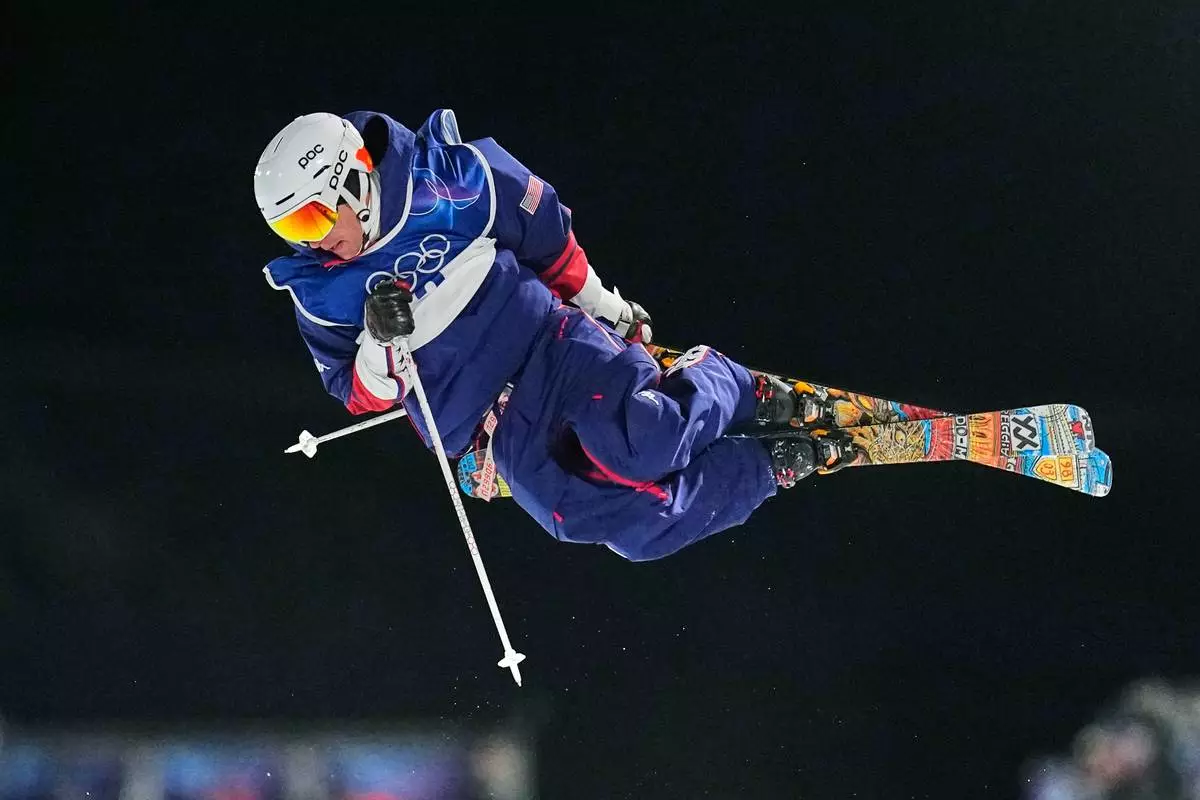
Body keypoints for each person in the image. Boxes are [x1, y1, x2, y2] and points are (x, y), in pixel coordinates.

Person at [254, 109, 853, 561]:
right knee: (617, 524)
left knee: (638, 443)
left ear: (352, 179)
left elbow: (545, 234)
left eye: (311, 217)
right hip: (493, 420)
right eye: (289, 228)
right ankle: (765, 468)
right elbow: (354, 392)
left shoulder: (450, 184)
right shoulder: (320, 293)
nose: (310, 241)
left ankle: (728, 384)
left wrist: (607, 306)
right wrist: (380, 344)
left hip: (548, 346)